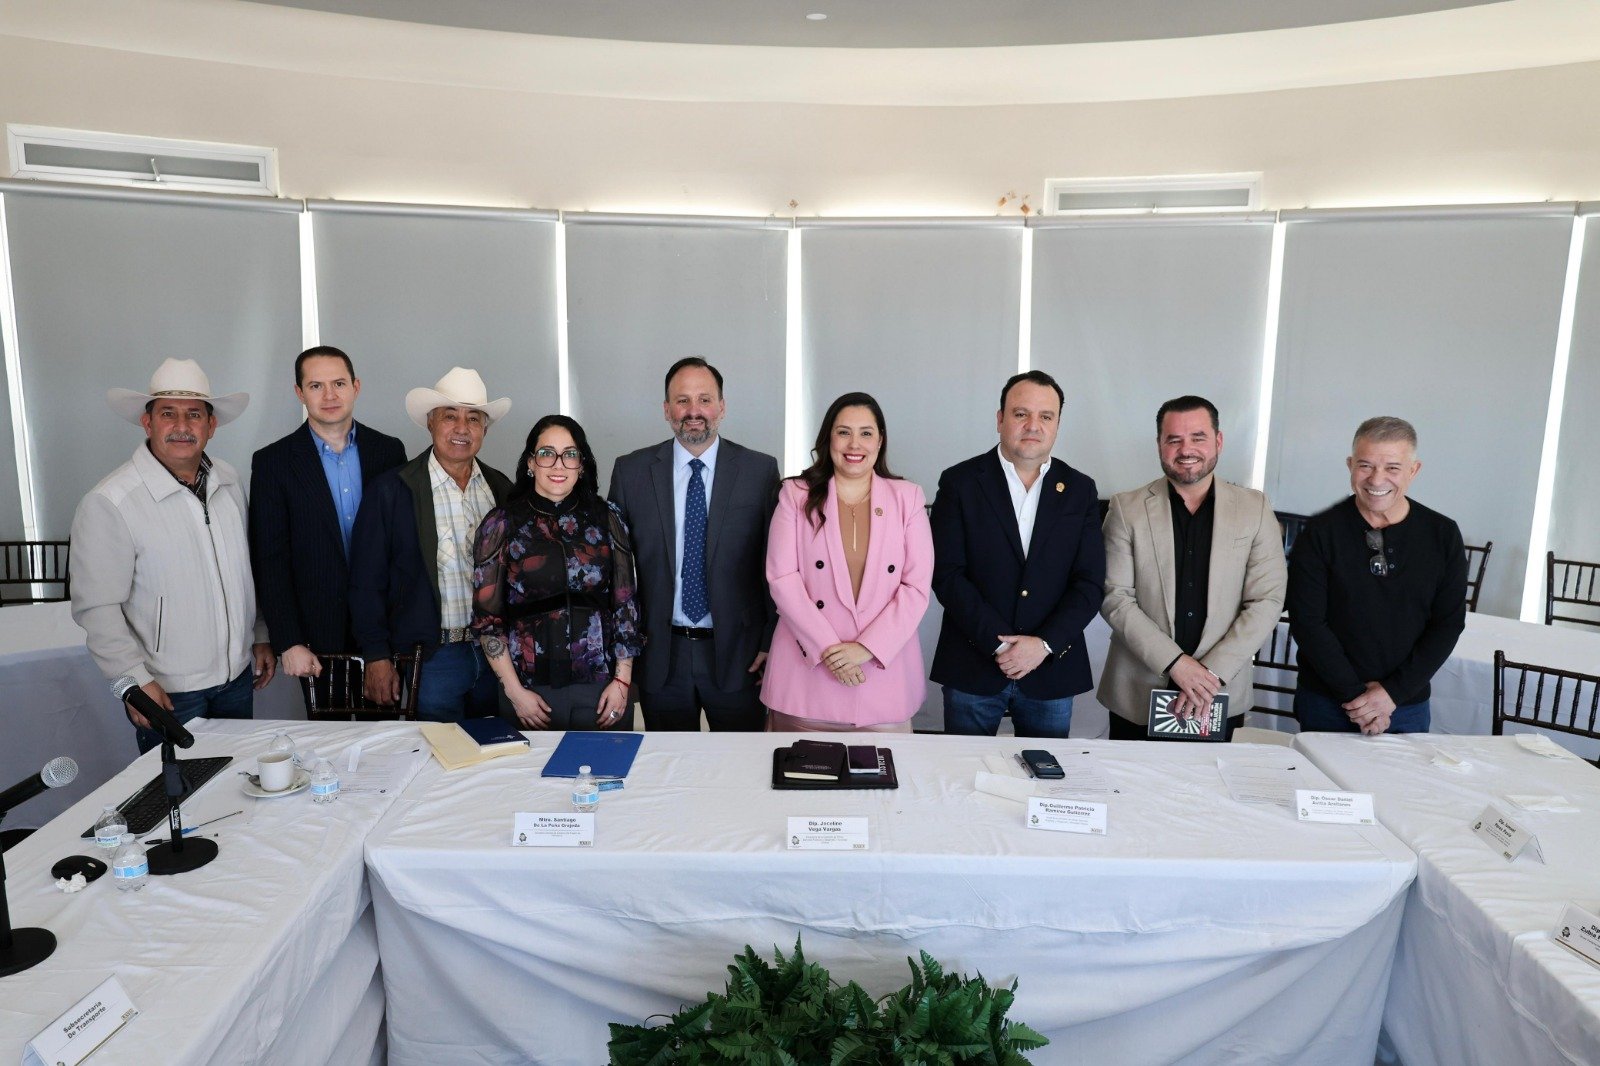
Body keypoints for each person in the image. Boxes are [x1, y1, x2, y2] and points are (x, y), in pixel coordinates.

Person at [70, 358, 276, 752]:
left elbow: (245, 570)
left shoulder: (229, 482)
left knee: (236, 784)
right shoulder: (111, 502)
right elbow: (96, 608)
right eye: (168, 413)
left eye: (194, 414)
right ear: (147, 423)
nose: (182, 426)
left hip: (236, 679)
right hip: (166, 689)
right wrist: (133, 681)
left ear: (211, 426)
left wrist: (260, 635)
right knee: (176, 790)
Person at [607, 357, 780, 731]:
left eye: (705, 399)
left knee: (740, 761)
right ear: (666, 409)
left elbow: (775, 564)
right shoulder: (631, 472)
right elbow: (616, 573)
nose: (693, 411)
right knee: (669, 763)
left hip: (741, 654)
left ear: (722, 406)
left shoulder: (759, 471)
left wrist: (771, 640)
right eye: (682, 400)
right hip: (660, 654)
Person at [1099, 396, 1287, 740]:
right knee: (1132, 776)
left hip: (1219, 689)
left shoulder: (1255, 508)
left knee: (1213, 776)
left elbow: (1267, 599)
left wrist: (1210, 673)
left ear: (1218, 440)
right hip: (1139, 688)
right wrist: (1176, 664)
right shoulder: (1126, 509)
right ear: (1159, 444)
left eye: (1198, 437)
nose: (1186, 449)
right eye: (1174, 439)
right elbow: (1115, 597)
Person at [929, 371, 1104, 738]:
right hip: (973, 663)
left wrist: (1043, 645)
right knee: (964, 768)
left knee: (1045, 771)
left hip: (1051, 667)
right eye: (1021, 413)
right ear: (1000, 419)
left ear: (1057, 424)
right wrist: (998, 644)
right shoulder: (960, 482)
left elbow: (1089, 583)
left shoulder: (1080, 489)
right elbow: (947, 574)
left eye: (1046, 416)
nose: (1033, 425)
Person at [761, 392, 932, 732]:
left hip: (882, 676)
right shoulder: (796, 494)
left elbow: (916, 587)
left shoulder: (907, 497)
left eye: (866, 433)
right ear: (829, 439)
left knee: (886, 767)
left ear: (880, 441)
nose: (855, 444)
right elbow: (782, 579)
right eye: (844, 432)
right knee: (797, 765)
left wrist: (867, 648)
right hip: (806, 676)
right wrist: (831, 651)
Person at [348, 367, 512, 722]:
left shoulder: (501, 489)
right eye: (450, 416)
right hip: (434, 657)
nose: (462, 428)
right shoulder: (392, 491)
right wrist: (376, 656)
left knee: (496, 748)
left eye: (473, 418)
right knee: (437, 751)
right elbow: (366, 581)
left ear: (485, 429)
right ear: (430, 423)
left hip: (496, 654)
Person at [1288, 416, 1467, 734]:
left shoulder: (1442, 534)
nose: (1376, 479)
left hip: (1405, 705)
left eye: (1392, 468)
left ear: (1414, 470)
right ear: (1350, 465)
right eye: (1365, 466)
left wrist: (1391, 694)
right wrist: (1358, 700)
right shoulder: (1320, 532)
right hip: (1327, 701)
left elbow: (1448, 623)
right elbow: (1308, 622)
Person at [248, 346, 406, 706]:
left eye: (339, 383)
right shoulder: (273, 462)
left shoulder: (389, 452)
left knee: (385, 733)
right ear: (299, 393)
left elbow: (402, 546)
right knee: (328, 736)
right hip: (315, 634)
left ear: (356, 387)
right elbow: (270, 559)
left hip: (384, 629)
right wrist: (288, 639)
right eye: (316, 386)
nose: (330, 395)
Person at [473, 416, 643, 730]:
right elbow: (487, 621)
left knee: (604, 763)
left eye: (570, 454)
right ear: (530, 463)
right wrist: (514, 692)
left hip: (601, 686)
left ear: (581, 465)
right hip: (528, 690)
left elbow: (626, 605)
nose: (558, 464)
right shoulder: (501, 524)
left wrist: (622, 681)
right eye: (547, 453)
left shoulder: (607, 518)